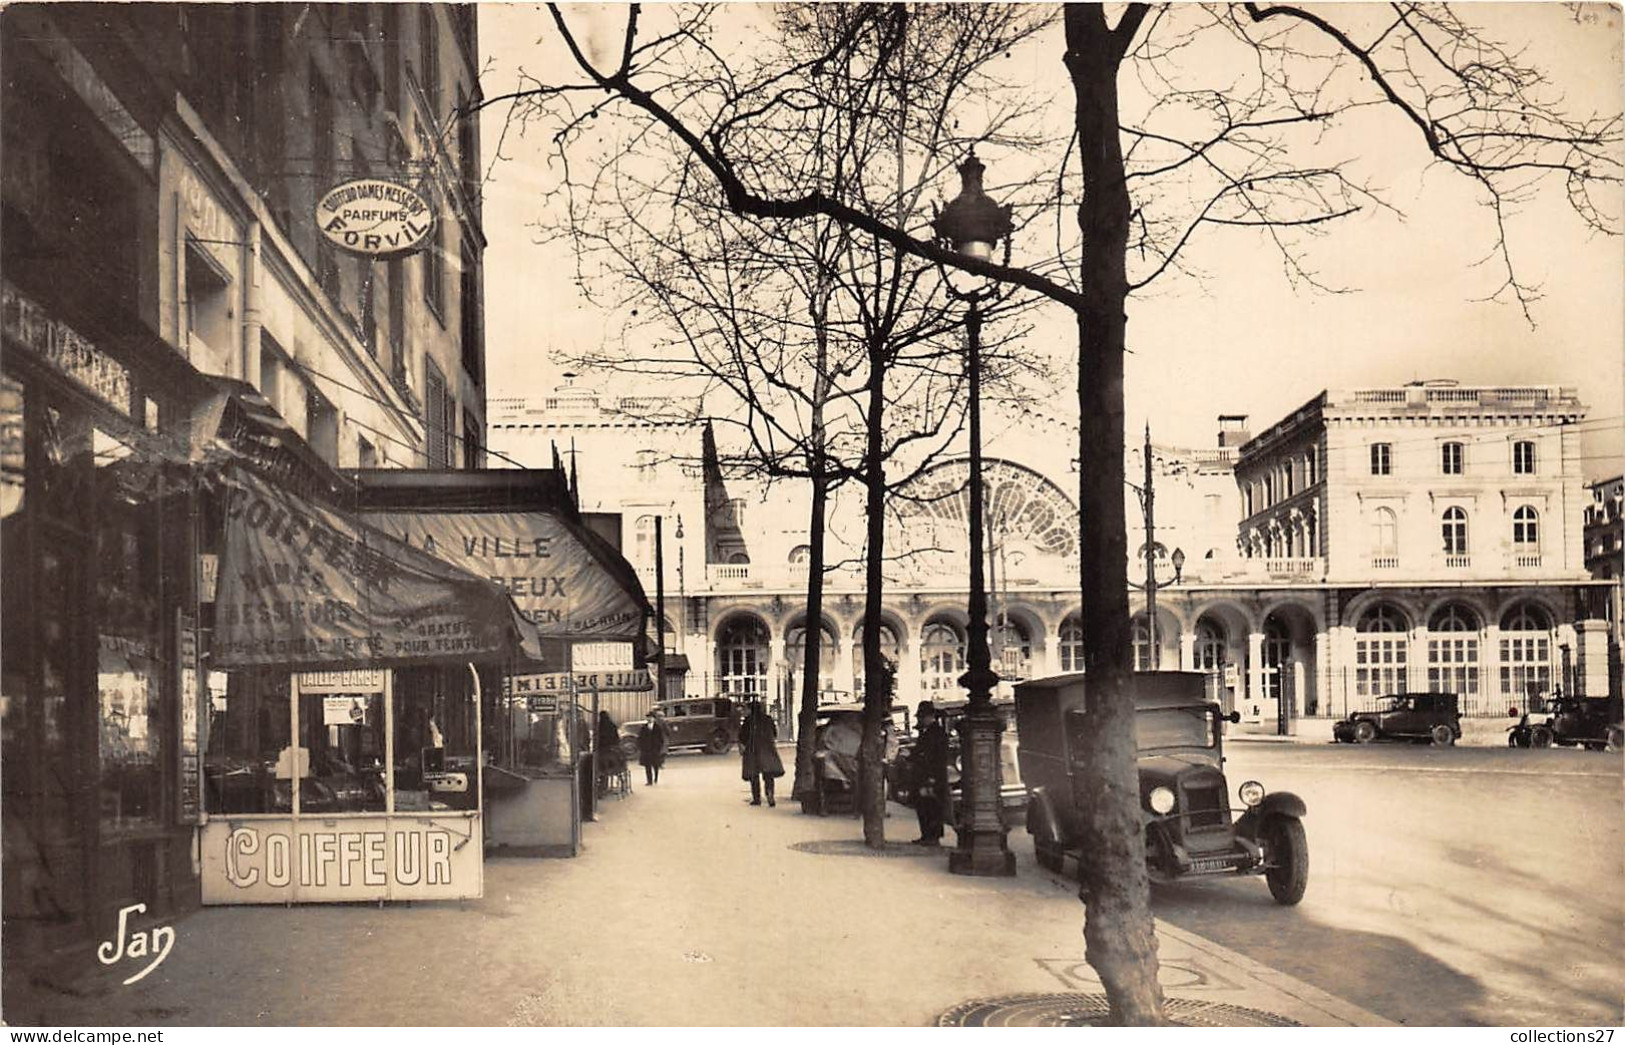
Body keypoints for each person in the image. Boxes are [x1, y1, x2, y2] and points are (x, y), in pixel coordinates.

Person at [912, 701, 949, 846]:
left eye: (922, 717)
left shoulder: (937, 733)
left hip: (932, 776)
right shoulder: (928, 732)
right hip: (926, 776)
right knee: (924, 806)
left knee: (932, 807)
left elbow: (936, 758)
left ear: (930, 717)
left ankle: (932, 836)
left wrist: (931, 778)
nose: (920, 720)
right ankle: (927, 835)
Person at [738, 699, 784, 806]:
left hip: (752, 750)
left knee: (754, 775)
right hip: (767, 748)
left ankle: (757, 798)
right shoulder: (768, 719)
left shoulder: (748, 721)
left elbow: (743, 736)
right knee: (768, 774)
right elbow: (774, 733)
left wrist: (743, 746)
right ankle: (770, 794)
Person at [637, 710, 667, 786]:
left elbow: (661, 738)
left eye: (650, 717)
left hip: (654, 749)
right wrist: (641, 747)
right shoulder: (643, 727)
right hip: (646, 750)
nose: (649, 719)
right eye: (647, 717)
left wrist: (659, 747)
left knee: (655, 765)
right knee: (647, 766)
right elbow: (640, 738)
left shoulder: (657, 727)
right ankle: (649, 781)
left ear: (654, 718)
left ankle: (656, 778)